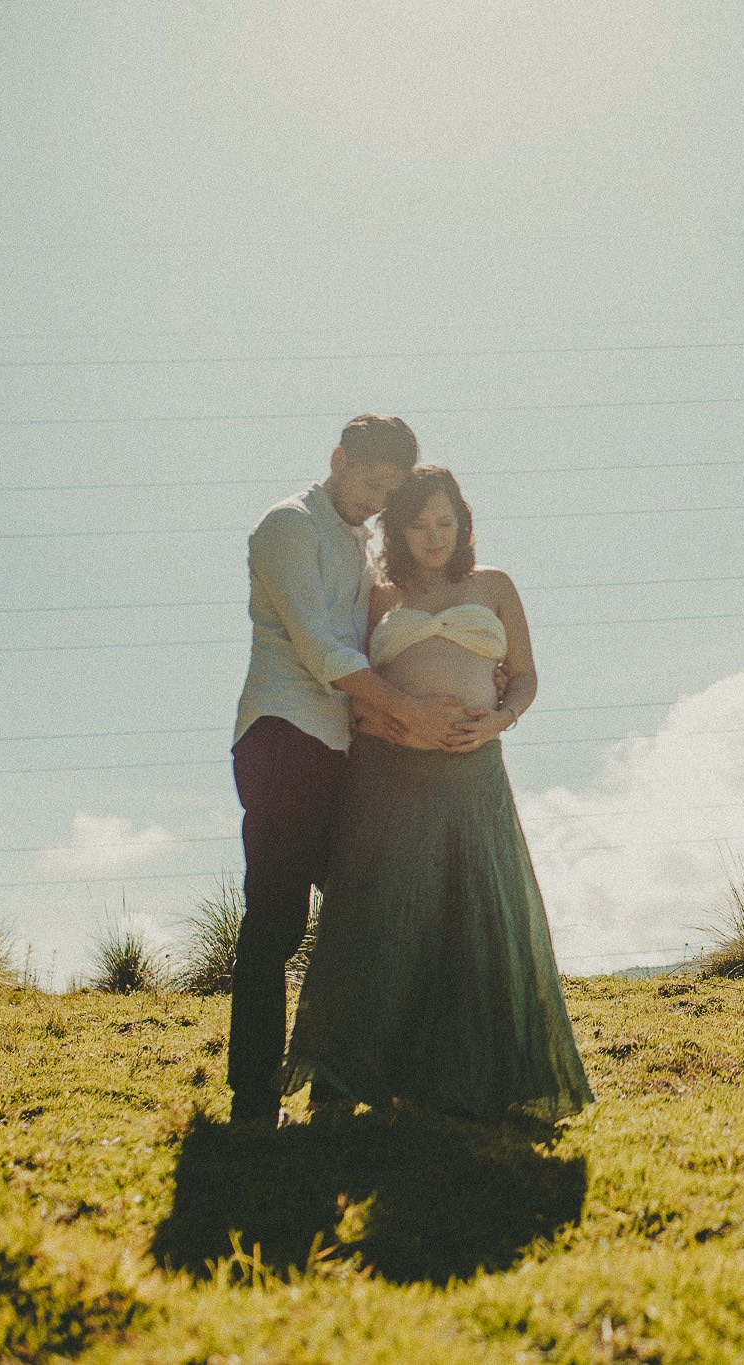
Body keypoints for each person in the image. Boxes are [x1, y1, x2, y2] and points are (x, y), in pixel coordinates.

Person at [283, 465, 593, 1123]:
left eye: (444, 523)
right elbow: (352, 682)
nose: (433, 536)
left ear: (463, 524)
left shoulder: (495, 586)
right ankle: (343, 1084)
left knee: (478, 917)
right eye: (419, 525)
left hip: (475, 775)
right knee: (379, 920)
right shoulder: (379, 596)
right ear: (398, 529)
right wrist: (390, 720)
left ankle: (478, 1080)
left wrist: (500, 719)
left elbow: (528, 677)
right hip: (389, 777)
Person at [228, 414, 471, 1126]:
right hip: (282, 738)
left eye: (390, 488)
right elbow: (323, 650)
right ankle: (254, 1100)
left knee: (366, 914)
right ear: (338, 459)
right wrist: (406, 711)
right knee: (275, 922)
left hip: (343, 748)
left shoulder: (366, 547)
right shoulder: (286, 527)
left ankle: (341, 1085)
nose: (376, 497)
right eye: (370, 479)